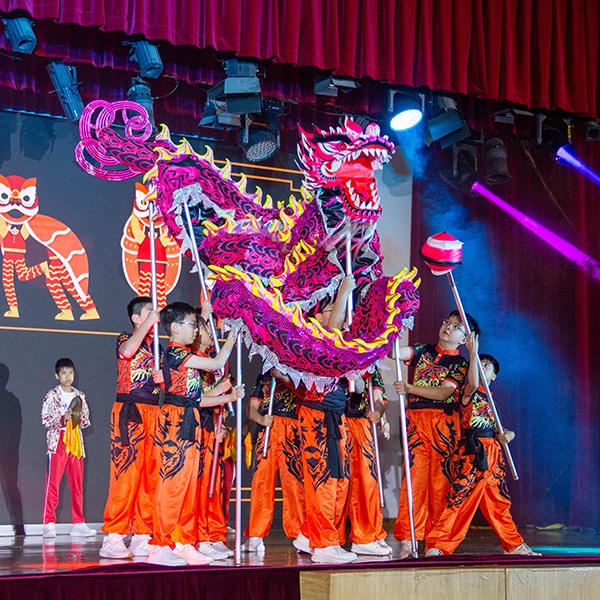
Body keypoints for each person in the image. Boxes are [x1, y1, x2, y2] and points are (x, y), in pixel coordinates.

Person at [148, 301, 244, 567]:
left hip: (190, 419)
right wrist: (233, 335)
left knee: (189, 486)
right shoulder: (175, 353)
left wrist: (227, 396)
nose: (195, 331)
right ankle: (160, 544)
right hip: (176, 422)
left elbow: (198, 399)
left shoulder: (185, 355)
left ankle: (183, 541)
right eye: (192, 325)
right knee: (173, 484)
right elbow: (217, 362)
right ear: (175, 327)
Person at [425, 341, 541, 556]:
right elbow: (472, 383)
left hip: (493, 454)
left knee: (499, 502)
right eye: (479, 363)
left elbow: (497, 428)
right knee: (459, 499)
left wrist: (509, 434)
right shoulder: (469, 392)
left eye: (486, 365)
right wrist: (473, 354)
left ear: (494, 376)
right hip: (473, 452)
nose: (481, 365)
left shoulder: (490, 401)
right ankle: (438, 544)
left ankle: (513, 544)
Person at [276, 275, 361, 564]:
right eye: (333, 310)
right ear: (318, 316)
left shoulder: (340, 344)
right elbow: (331, 333)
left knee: (339, 480)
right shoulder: (311, 340)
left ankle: (310, 535)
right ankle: (324, 545)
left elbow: (358, 386)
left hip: (336, 416)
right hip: (317, 416)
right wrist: (343, 293)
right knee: (323, 479)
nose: (341, 315)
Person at [393, 310, 479, 558]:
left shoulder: (459, 363)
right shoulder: (423, 350)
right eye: (447, 322)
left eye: (456, 326)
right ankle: (409, 537)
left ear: (465, 339)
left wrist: (409, 388)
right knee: (413, 480)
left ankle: (436, 541)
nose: (448, 328)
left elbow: (444, 393)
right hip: (416, 421)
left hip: (443, 424)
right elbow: (394, 353)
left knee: (441, 484)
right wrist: (391, 325)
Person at [100, 296, 163, 560]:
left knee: (150, 475)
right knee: (126, 473)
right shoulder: (126, 337)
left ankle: (141, 534)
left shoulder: (156, 346)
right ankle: (114, 536)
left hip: (153, 411)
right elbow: (127, 352)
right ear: (136, 318)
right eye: (148, 312)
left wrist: (162, 379)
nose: (154, 315)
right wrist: (148, 322)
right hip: (130, 412)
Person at [242, 372, 304, 553]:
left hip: (292, 430)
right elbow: (251, 408)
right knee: (261, 482)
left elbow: (304, 394)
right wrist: (260, 419)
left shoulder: (299, 373)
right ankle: (256, 534)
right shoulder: (264, 378)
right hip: (267, 430)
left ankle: (300, 534)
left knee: (294, 484)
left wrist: (284, 377)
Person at [193, 311, 235, 560]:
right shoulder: (193, 361)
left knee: (215, 486)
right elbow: (198, 398)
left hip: (211, 429)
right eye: (206, 328)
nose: (211, 333)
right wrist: (221, 391)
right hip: (196, 429)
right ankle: (201, 536)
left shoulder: (207, 360)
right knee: (201, 487)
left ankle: (215, 533)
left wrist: (222, 425)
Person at [41, 358, 96, 538]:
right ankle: (49, 523)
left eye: (70, 373)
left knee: (77, 484)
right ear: (57, 376)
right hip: (58, 441)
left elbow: (86, 421)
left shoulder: (80, 395)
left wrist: (77, 418)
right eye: (64, 373)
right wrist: (62, 418)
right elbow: (45, 420)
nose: (68, 377)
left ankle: (78, 523)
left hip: (76, 442)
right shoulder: (51, 395)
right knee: (53, 484)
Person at [342, 369, 392, 556]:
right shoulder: (334, 360)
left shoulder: (370, 365)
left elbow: (377, 399)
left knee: (366, 482)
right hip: (337, 421)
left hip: (360, 424)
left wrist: (378, 414)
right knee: (338, 485)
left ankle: (367, 534)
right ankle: (324, 538)